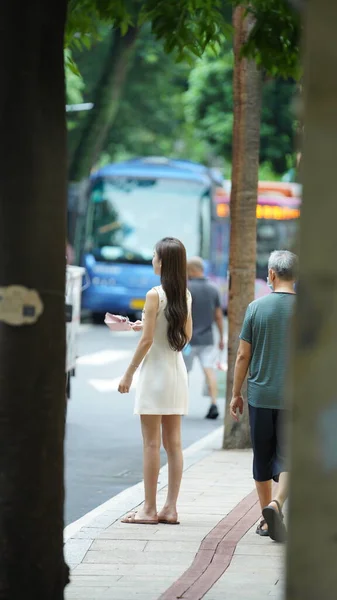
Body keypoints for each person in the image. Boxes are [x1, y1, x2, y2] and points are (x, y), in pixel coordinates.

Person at [118, 237, 192, 525]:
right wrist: (148, 326)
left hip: (154, 375)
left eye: (154, 256)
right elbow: (185, 337)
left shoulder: (153, 295)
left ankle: (148, 509)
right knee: (174, 443)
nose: (152, 259)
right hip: (176, 372)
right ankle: (170, 509)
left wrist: (128, 374)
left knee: (150, 444)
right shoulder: (184, 294)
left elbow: (148, 341)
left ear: (163, 262)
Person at [229, 250, 298, 543]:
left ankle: (266, 518)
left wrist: (236, 394)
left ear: (271, 274)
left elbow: (243, 355)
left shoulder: (256, 308)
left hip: (260, 396)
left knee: (262, 457)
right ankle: (277, 505)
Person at [184, 257, 224, 420]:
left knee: (183, 373)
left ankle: (181, 405)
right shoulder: (213, 289)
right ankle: (214, 403)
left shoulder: (186, 289)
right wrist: (221, 337)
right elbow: (219, 316)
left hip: (187, 340)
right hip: (207, 339)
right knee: (209, 371)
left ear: (192, 271)